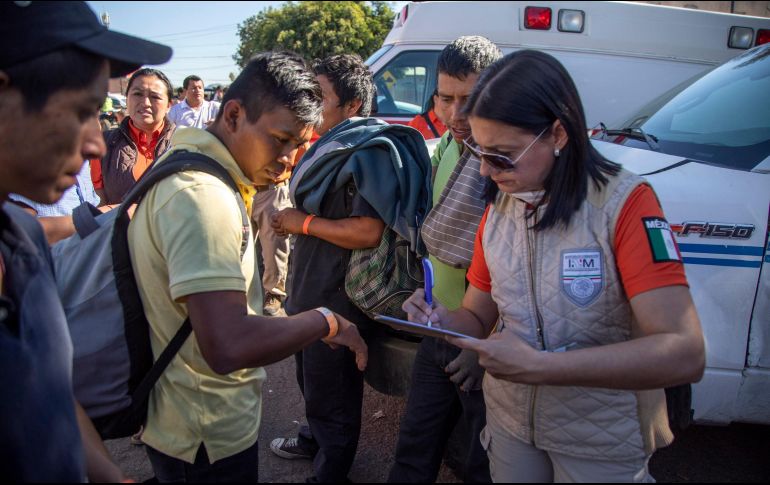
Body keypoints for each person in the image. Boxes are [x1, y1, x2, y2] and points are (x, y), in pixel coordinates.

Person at [403, 50, 706, 483]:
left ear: (558, 133)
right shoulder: (501, 207)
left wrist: (543, 368)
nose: (487, 172)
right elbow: (475, 316)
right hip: (511, 428)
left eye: (503, 155)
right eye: (479, 152)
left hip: (601, 439)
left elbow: (684, 351)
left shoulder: (624, 205)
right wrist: (440, 319)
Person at [126, 51, 367, 483]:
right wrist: (325, 322)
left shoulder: (192, 171)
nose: (289, 159)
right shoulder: (203, 197)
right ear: (234, 115)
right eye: (280, 139)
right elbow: (228, 345)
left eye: (298, 145)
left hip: (186, 422)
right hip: (204, 434)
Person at [0, 1, 171, 481]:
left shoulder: (24, 241)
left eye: (99, 114)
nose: (97, 143)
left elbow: (51, 394)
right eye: (80, 112)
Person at [269, 55, 414, 483]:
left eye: (321, 96)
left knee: (334, 391)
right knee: (311, 377)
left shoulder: (369, 152)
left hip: (339, 294)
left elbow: (368, 232)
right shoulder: (332, 143)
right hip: (310, 285)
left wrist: (303, 223)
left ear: (352, 105)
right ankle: (314, 438)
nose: (311, 104)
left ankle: (330, 472)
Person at [389, 36, 501, 484]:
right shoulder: (447, 149)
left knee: (480, 462)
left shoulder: (505, 161)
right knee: (414, 445)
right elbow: (438, 244)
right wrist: (424, 291)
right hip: (439, 328)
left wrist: (486, 345)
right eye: (445, 98)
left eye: (468, 100)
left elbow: (514, 269)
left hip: (486, 342)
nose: (455, 114)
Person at [93, 68, 176, 205]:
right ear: (127, 99)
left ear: (169, 105)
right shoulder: (103, 144)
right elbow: (98, 200)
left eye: (155, 96)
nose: (145, 103)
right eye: (137, 94)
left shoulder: (184, 144)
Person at [9, 158, 102, 244]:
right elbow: (22, 231)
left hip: (86, 252)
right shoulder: (27, 158)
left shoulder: (81, 156)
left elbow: (92, 206)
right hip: (53, 257)